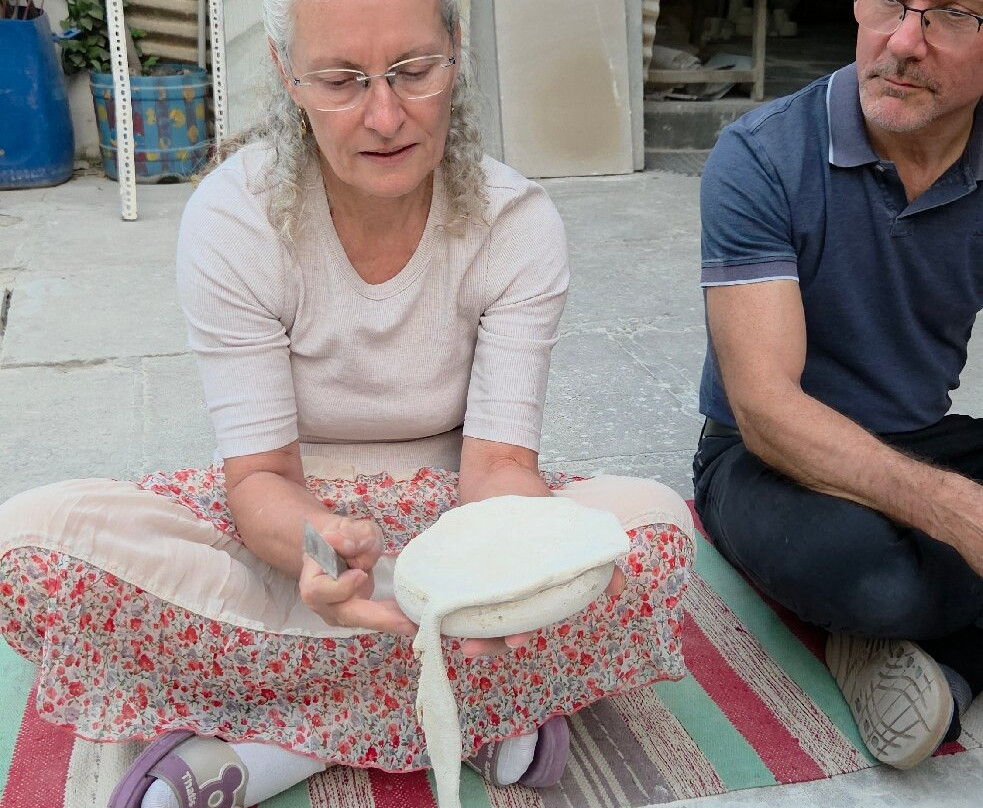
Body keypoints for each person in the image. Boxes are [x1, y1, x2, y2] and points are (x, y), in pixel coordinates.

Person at [0, 1, 695, 806]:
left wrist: (516, 568)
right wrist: (320, 550)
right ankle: (477, 705)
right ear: (286, 72)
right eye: (340, 80)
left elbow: (499, 468)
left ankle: (264, 745)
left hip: (453, 525)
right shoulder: (235, 218)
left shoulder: (514, 220)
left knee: (648, 532)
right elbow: (259, 476)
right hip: (287, 534)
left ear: (455, 50)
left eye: (414, 70)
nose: (385, 114)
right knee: (30, 548)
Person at [693, 0, 983, 771]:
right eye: (888, 4)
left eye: (951, 14)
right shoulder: (761, 154)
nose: (902, 40)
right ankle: (923, 634)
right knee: (875, 580)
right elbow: (764, 409)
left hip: (917, 437)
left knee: (914, 558)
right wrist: (957, 512)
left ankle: (944, 667)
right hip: (766, 461)